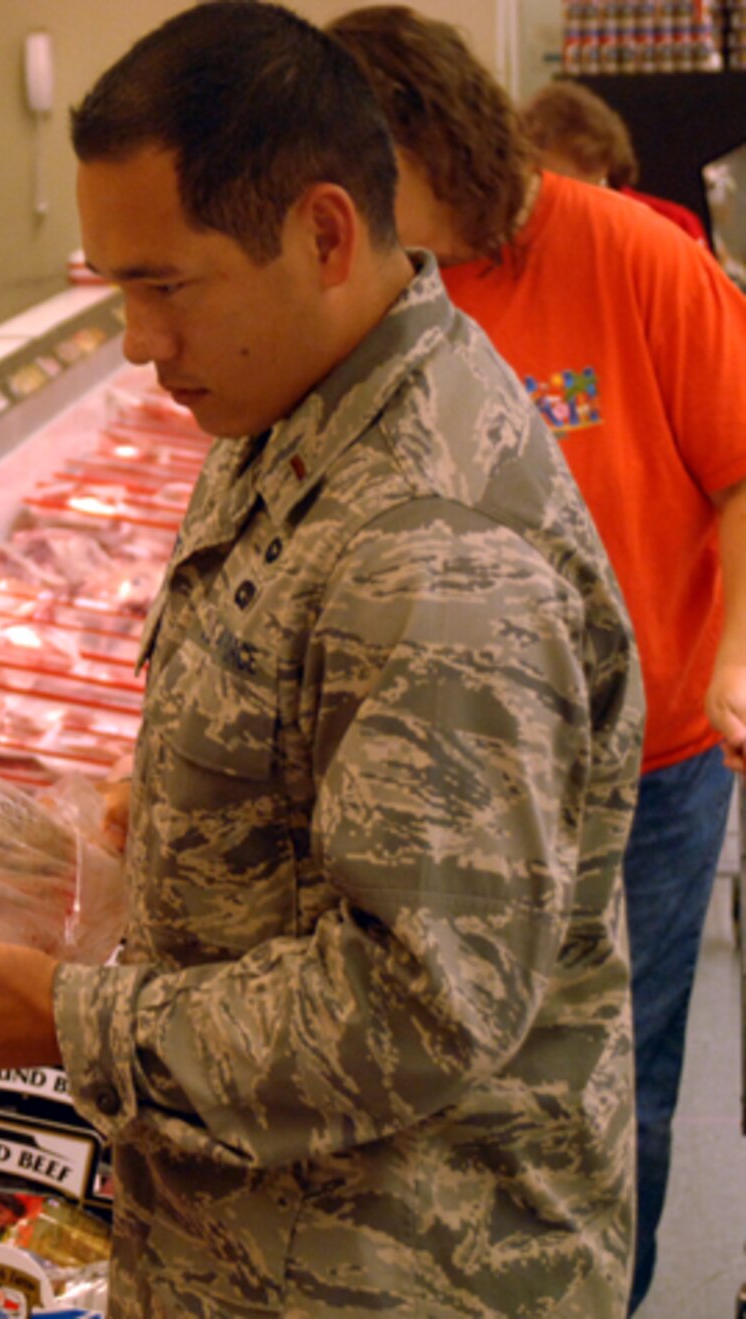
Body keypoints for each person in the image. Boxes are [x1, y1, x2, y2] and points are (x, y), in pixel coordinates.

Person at [0, 4, 644, 1314]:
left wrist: (74, 1022)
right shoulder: (289, 408)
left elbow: (418, 1004)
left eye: (164, 285)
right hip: (251, 1246)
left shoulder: (434, 543)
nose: (137, 340)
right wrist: (125, 834)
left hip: (400, 1267)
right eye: (116, 287)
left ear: (327, 232)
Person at [327, 12, 746, 1310]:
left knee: (624, 1080)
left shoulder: (635, 258)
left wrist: (734, 655)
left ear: (445, 142)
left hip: (650, 769)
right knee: (449, 1090)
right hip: (443, 771)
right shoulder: (375, 289)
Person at [519, 80, 707, 244]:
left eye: (593, 191)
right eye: (556, 191)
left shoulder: (675, 226)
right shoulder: (512, 244)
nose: (575, 205)